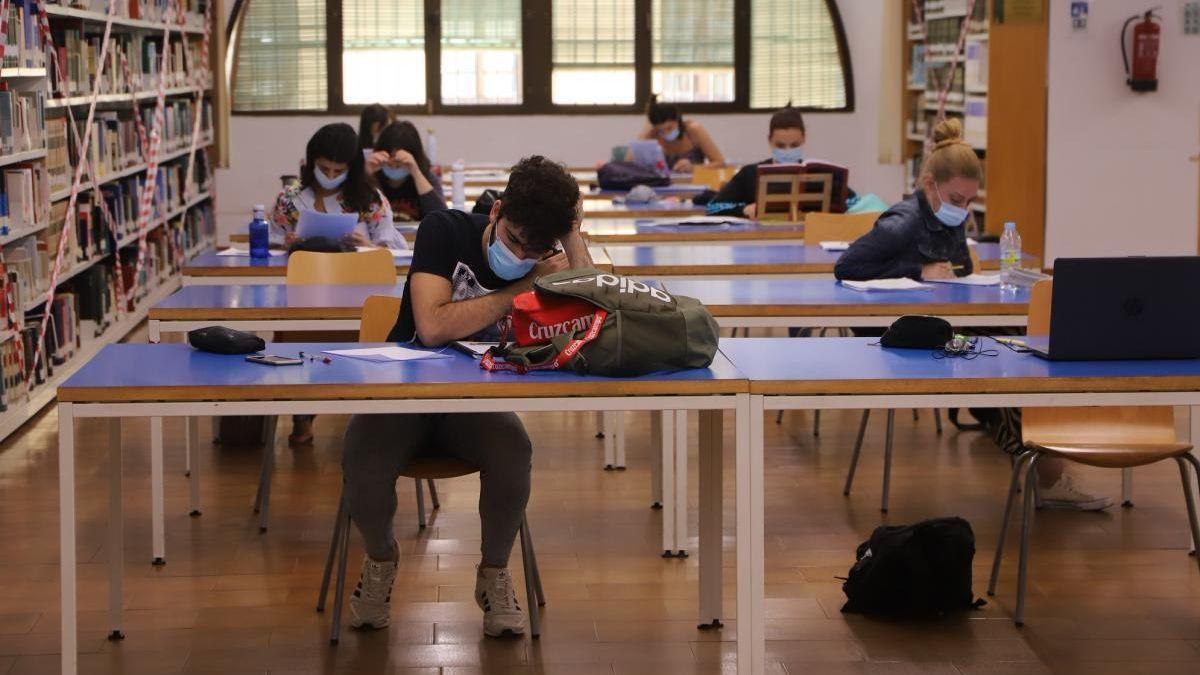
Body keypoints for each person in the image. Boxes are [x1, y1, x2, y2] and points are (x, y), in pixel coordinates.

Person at [341, 156, 592, 637]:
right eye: (516, 239)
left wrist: (572, 235)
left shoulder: (548, 256)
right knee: (361, 457)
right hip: (406, 392)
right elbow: (432, 327)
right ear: (496, 212)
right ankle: (380, 560)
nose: (523, 252)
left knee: (512, 450)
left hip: (475, 402)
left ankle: (494, 572)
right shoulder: (444, 229)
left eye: (538, 247)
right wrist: (523, 288)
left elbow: (592, 307)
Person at [835, 118, 1111, 511]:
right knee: (1004, 353)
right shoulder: (902, 223)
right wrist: (918, 272)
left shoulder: (949, 218)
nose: (963, 209)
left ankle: (1040, 452)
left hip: (949, 326)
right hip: (904, 337)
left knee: (1021, 344)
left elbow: (961, 272)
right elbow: (846, 266)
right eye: (956, 199)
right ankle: (1040, 465)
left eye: (969, 200)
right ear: (929, 184)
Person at [270, 122, 406, 251]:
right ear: (312, 162)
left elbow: (390, 252)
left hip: (359, 272)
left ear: (351, 169)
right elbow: (271, 250)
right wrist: (285, 246)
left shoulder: (370, 199)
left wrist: (368, 247)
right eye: (324, 169)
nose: (330, 176)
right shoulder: (288, 199)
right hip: (305, 272)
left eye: (338, 171)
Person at [711, 104, 810, 219]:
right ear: (769, 140)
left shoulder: (817, 174)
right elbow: (713, 208)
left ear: (804, 139)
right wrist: (743, 210)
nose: (787, 151)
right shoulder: (750, 174)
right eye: (780, 145)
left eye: (794, 145)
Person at [367, 121, 447, 222]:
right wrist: (366, 174)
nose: (394, 166)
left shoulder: (426, 178)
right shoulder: (372, 176)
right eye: (389, 159)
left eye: (399, 161)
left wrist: (416, 172)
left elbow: (442, 219)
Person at [638, 96, 724, 173]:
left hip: (695, 184)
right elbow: (633, 162)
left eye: (670, 128)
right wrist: (647, 128)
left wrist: (694, 168)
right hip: (668, 186)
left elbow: (720, 162)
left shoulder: (693, 130)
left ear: (678, 120)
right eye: (661, 131)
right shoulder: (653, 134)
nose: (666, 133)